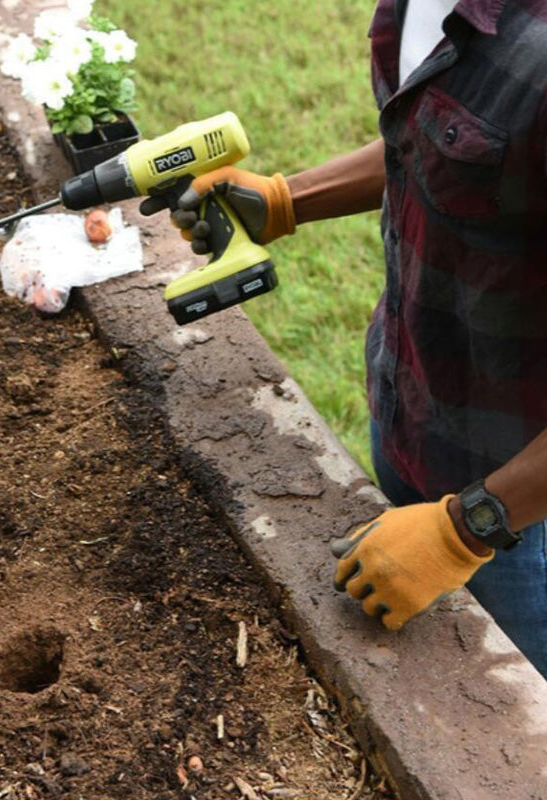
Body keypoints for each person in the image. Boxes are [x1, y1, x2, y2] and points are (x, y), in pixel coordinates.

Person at [141, 0, 547, 677]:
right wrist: (285, 199)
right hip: (412, 412)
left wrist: (469, 526)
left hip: (518, 512)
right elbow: (438, 144)